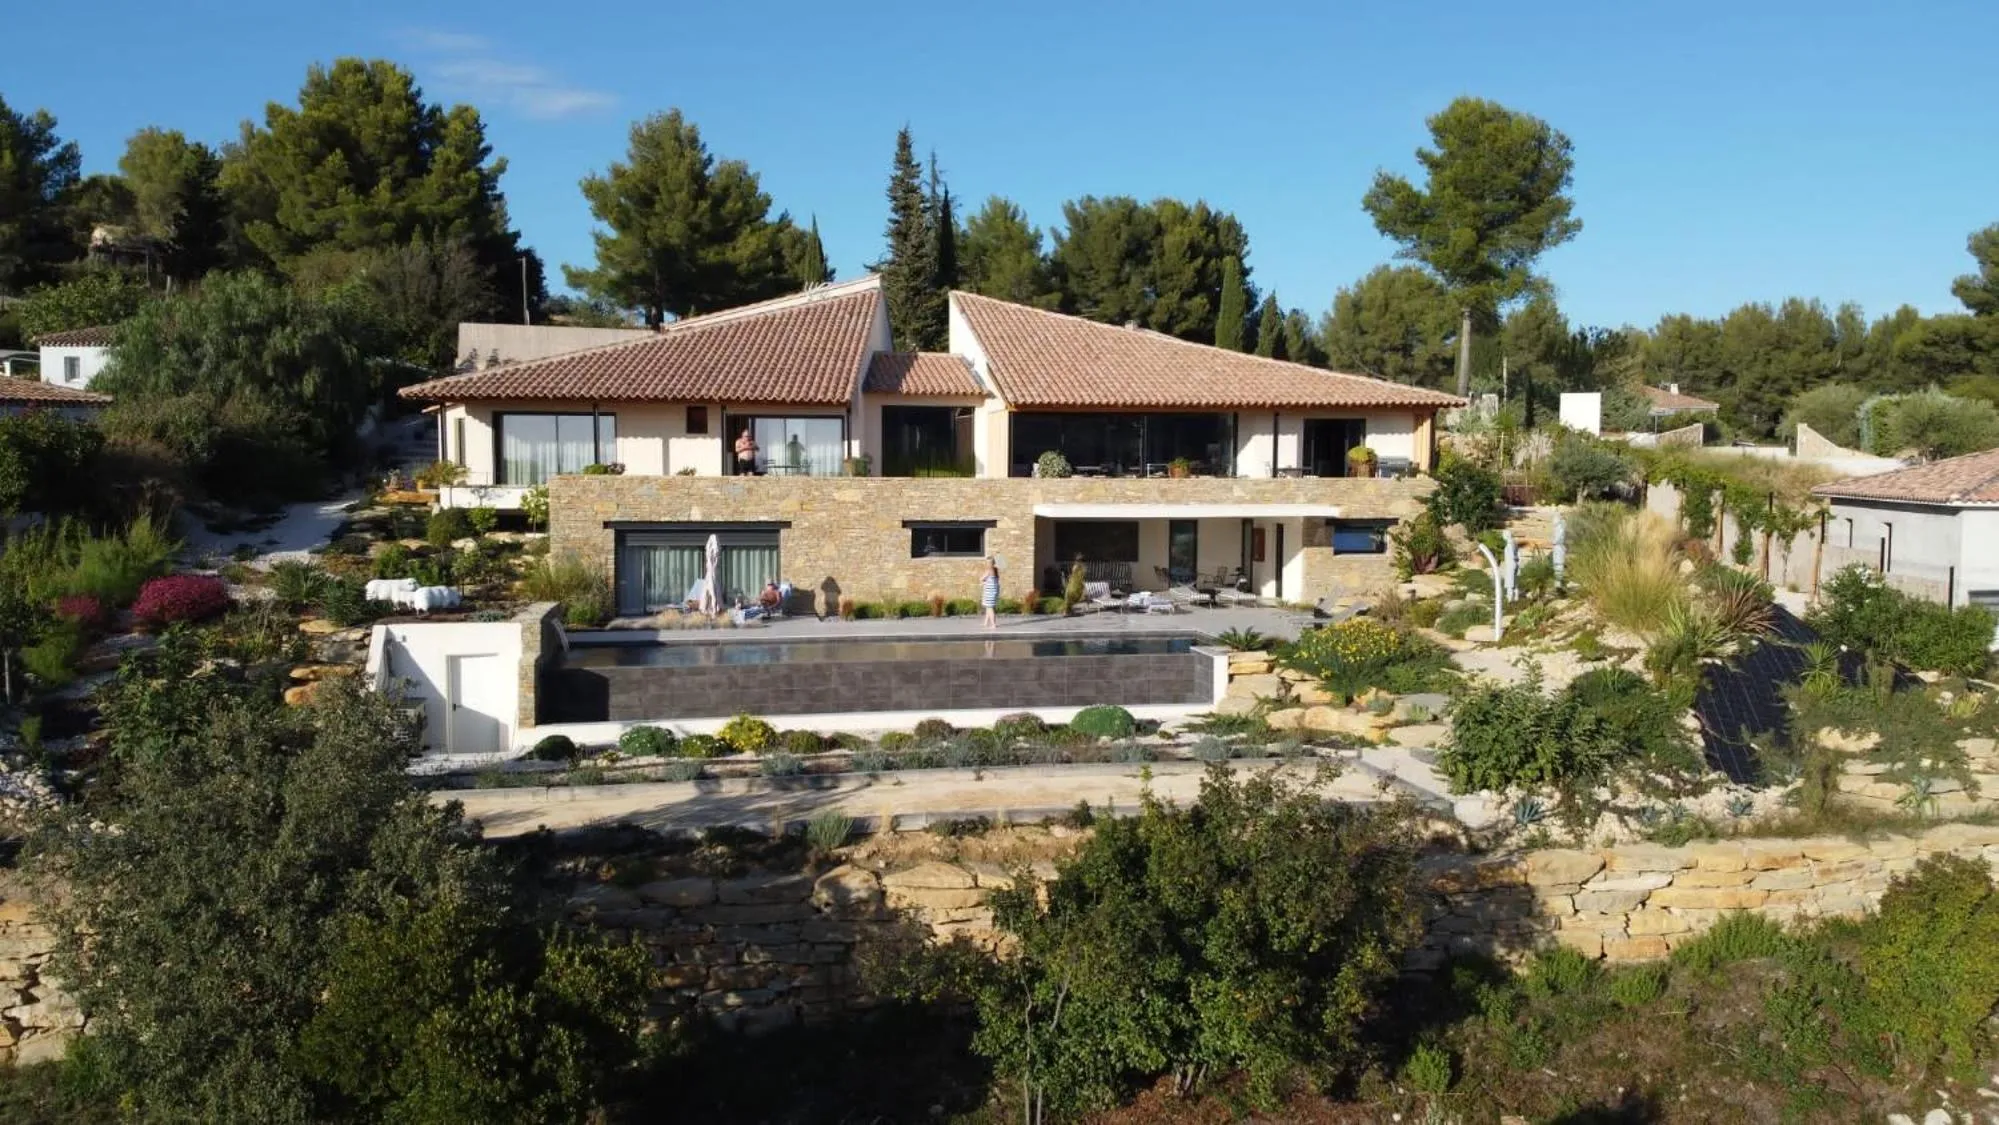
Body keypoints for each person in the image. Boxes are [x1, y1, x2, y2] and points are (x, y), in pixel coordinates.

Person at [980, 558, 1001, 630]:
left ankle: (993, 624)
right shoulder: (995, 570)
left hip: (990, 592)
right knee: (988, 607)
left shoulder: (988, 571)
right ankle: (986, 623)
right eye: (987, 563)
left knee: (990, 608)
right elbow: (995, 582)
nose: (987, 564)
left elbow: (981, 578)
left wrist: (984, 582)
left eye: (989, 563)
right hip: (993, 592)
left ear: (992, 564)